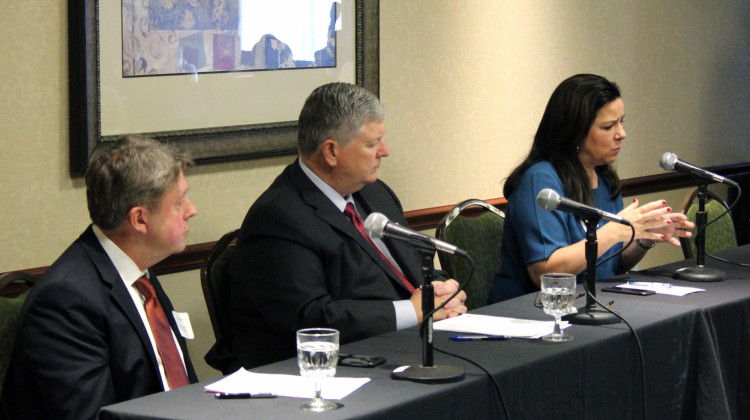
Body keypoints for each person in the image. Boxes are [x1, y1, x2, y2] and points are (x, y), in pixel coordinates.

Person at [206, 82, 467, 372]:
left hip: (400, 347)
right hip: (319, 372)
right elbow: (311, 319)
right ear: (331, 151)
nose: (385, 151)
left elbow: (413, 266)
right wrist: (413, 311)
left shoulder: (376, 192)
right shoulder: (278, 217)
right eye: (372, 144)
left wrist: (443, 290)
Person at [1, 135, 198, 419]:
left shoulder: (139, 271)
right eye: (179, 203)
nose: (191, 210)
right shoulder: (65, 301)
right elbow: (92, 416)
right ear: (140, 219)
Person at [488, 74, 694, 303]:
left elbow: (610, 265)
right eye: (608, 126)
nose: (621, 134)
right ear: (574, 132)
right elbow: (546, 273)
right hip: (530, 314)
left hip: (589, 303)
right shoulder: (540, 180)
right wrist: (614, 231)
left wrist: (644, 237)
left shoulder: (604, 178)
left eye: (621, 122)